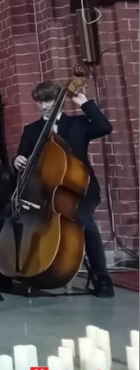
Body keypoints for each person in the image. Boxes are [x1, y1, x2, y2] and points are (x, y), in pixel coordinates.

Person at [15, 81, 114, 298]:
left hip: (79, 190)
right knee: (15, 217)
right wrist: (18, 160)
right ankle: (25, 270)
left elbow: (105, 127)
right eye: (40, 101)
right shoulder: (32, 130)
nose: (44, 106)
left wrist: (85, 103)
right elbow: (22, 157)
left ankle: (101, 276)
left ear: (59, 100)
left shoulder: (78, 124)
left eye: (49, 100)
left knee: (85, 223)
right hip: (44, 191)